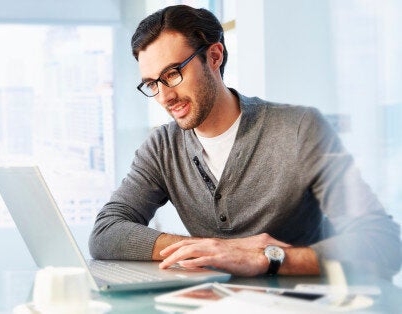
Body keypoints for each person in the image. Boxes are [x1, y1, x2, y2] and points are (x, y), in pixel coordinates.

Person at [88, 5, 401, 278]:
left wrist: (266, 258)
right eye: (152, 84)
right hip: (213, 300)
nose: (165, 96)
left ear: (214, 56)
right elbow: (105, 232)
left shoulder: (300, 129)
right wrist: (214, 250)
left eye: (172, 74)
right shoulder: (161, 147)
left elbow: (381, 242)